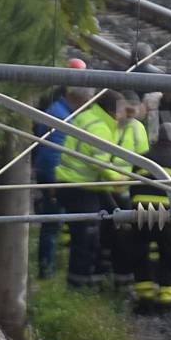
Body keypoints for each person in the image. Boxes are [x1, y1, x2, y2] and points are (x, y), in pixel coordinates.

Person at [55, 89, 126, 289]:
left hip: (70, 184)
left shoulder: (87, 116)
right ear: (112, 111)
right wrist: (119, 180)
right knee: (86, 238)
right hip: (80, 187)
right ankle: (79, 285)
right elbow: (101, 163)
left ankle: (94, 276)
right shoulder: (101, 127)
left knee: (97, 228)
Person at [32, 59, 88, 279]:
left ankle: (50, 267)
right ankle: (47, 271)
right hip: (53, 176)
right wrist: (56, 182)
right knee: (52, 225)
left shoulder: (58, 108)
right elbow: (53, 153)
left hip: (50, 174)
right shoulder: (62, 117)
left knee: (54, 223)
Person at [129, 122, 171, 312]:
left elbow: (131, 188)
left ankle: (145, 300)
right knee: (168, 257)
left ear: (157, 140)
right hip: (168, 216)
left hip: (140, 213)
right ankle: (166, 301)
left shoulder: (142, 159)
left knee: (141, 255)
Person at [104, 91, 149, 287]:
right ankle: (107, 268)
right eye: (127, 110)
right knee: (107, 229)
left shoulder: (139, 129)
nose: (130, 115)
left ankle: (121, 273)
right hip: (106, 184)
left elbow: (143, 161)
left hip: (127, 187)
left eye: (134, 111)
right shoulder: (111, 125)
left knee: (123, 232)